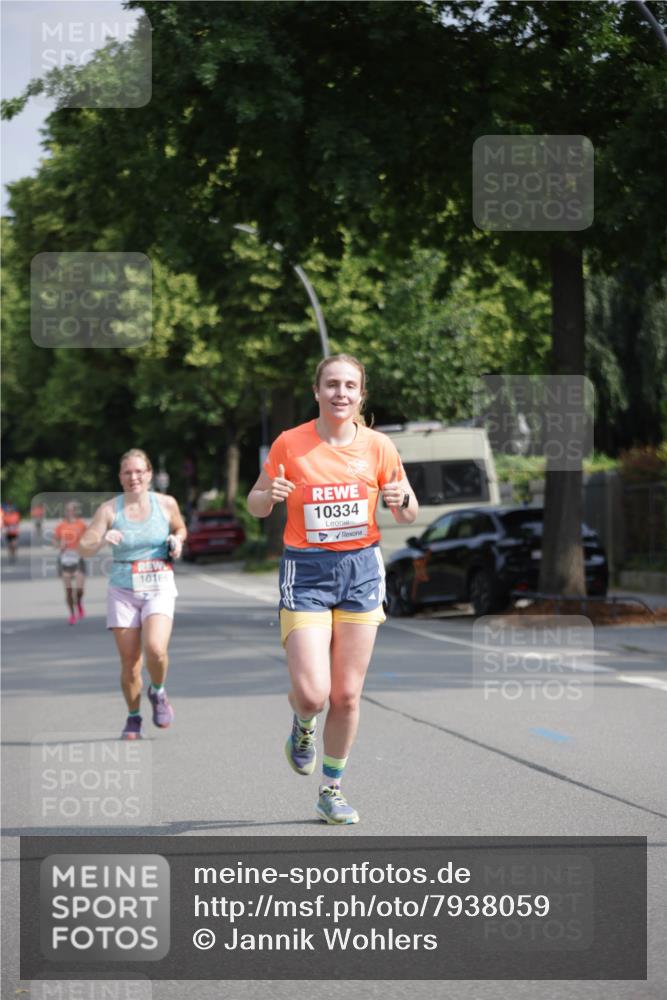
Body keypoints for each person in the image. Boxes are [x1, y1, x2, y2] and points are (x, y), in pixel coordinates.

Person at [247, 354, 418, 825]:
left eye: (349, 386)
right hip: (306, 573)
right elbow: (256, 503)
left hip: (361, 571)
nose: (340, 393)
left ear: (361, 395)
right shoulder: (290, 444)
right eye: (331, 385)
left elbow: (407, 510)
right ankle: (303, 724)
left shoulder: (379, 446)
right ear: (316, 391)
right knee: (313, 693)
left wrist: (401, 499)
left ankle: (332, 789)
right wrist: (269, 496)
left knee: (345, 696)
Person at [79, 449, 187, 740]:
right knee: (130, 663)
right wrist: (102, 539)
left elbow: (179, 526)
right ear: (120, 477)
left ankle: (159, 691)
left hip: (159, 584)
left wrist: (177, 539)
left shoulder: (166, 503)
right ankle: (134, 717)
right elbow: (84, 546)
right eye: (127, 472)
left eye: (139, 471)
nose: (134, 477)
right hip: (123, 589)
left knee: (156, 649)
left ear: (149, 474)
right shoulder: (109, 510)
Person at [53, 501, 89, 624]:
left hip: (78, 559)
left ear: (76, 511)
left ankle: (78, 602)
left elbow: (88, 540)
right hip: (65, 560)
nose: (69, 512)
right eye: (67, 510)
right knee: (68, 590)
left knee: (79, 589)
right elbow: (55, 542)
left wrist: (83, 546)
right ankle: (72, 614)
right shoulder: (60, 526)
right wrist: (60, 545)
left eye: (72, 510)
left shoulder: (81, 525)